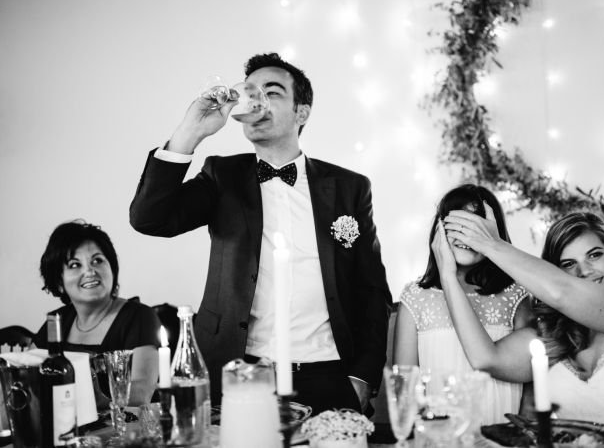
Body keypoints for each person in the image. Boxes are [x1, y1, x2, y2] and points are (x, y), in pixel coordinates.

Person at [129, 53, 392, 414]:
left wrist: (363, 377)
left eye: (273, 92)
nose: (256, 101)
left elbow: (372, 290)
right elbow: (149, 219)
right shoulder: (222, 176)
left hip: (329, 378)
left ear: (302, 112)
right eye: (250, 91)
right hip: (239, 375)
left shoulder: (350, 187)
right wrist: (190, 133)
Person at [436, 208, 604, 432]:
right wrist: (448, 277)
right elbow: (485, 358)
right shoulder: (553, 335)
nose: (584, 272)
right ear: (555, 271)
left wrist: (491, 244)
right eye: (568, 264)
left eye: (594, 255)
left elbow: (562, 293)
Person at [393, 184, 532, 425]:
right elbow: (405, 390)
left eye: (476, 227)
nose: (466, 236)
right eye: (458, 225)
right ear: (439, 229)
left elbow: (532, 384)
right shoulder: (416, 298)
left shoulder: (516, 296)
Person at [32, 221, 161, 409]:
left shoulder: (140, 316)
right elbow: (24, 371)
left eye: (97, 260)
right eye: (75, 265)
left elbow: (141, 392)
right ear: (59, 282)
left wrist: (73, 398)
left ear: (112, 268)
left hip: (119, 433)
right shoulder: (56, 321)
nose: (90, 271)